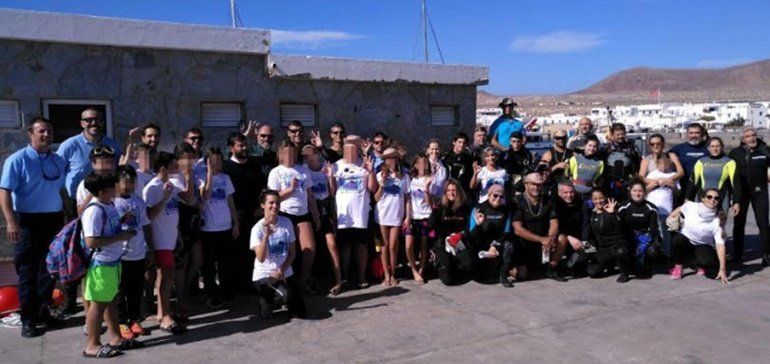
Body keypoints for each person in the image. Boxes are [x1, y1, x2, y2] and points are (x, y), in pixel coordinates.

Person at [0, 118, 67, 338]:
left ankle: (43, 311)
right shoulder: (17, 160)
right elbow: (5, 191)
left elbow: (61, 190)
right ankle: (28, 319)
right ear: (30, 133)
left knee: (49, 270)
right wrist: (11, 220)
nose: (46, 135)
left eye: (49, 130)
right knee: (27, 271)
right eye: (41, 131)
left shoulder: (57, 160)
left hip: (53, 220)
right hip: (28, 221)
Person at [81, 173, 143, 358]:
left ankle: (116, 338)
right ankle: (92, 345)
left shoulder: (109, 206)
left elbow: (108, 228)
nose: (117, 188)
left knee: (109, 302)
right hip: (101, 264)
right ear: (102, 191)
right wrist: (121, 237)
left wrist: (123, 220)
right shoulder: (94, 210)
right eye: (112, 186)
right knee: (98, 305)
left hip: (112, 262)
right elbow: (91, 241)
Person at [142, 152, 190, 334]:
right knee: (165, 277)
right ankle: (165, 315)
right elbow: (149, 215)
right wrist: (163, 198)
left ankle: (163, 313)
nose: (176, 168)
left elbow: (174, 212)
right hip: (160, 240)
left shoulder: (169, 185)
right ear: (163, 168)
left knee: (167, 277)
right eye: (173, 165)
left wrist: (177, 236)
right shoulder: (153, 188)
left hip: (170, 238)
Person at [267, 141, 321, 293]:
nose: (289, 156)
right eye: (286, 153)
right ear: (280, 154)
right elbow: (273, 197)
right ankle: (283, 284)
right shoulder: (276, 172)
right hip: (284, 214)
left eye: (292, 153)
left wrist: (315, 213)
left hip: (303, 213)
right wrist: (290, 189)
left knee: (309, 249)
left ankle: (303, 282)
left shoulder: (303, 169)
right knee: (285, 252)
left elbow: (310, 194)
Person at [251, 189, 307, 319]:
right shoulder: (257, 229)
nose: (274, 206)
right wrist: (266, 236)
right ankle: (265, 302)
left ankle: (281, 297)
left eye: (277, 203)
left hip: (283, 271)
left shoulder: (286, 223)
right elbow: (260, 258)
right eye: (271, 203)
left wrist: (281, 270)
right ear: (263, 205)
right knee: (285, 296)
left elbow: (292, 253)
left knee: (300, 311)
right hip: (265, 275)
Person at [113, 165, 153, 340]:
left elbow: (145, 225)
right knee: (121, 290)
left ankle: (134, 319)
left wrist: (150, 247)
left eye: (131, 181)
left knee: (136, 289)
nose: (128, 185)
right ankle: (121, 321)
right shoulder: (112, 202)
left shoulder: (138, 201)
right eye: (124, 181)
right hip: (120, 255)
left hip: (138, 252)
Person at [332, 135, 377, 289]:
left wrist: (370, 172)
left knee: (361, 246)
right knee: (345, 247)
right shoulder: (336, 166)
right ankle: (344, 277)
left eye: (355, 144)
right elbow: (332, 191)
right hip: (343, 216)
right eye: (349, 144)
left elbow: (372, 189)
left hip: (361, 214)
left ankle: (361, 276)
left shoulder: (365, 164)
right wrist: (329, 176)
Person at [223, 133, 266, 292]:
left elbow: (262, 187)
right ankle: (235, 286)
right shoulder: (226, 166)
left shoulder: (253, 165)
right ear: (231, 148)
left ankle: (251, 283)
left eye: (245, 144)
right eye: (240, 145)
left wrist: (259, 208)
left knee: (252, 251)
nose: (244, 148)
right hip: (235, 216)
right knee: (235, 253)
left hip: (254, 215)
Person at [57, 108, 121, 215]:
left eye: (98, 120)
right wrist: (64, 201)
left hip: (106, 199)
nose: (94, 123)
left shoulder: (112, 145)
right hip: (75, 201)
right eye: (89, 120)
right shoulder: (69, 145)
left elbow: (118, 169)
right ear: (82, 123)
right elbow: (57, 172)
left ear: (103, 122)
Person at [198, 147, 239, 307]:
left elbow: (230, 201)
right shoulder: (201, 177)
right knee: (209, 264)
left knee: (225, 263)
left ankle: (226, 292)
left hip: (225, 226)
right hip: (209, 228)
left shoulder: (226, 178)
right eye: (212, 161)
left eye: (218, 160)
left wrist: (236, 222)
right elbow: (205, 194)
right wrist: (208, 173)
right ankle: (210, 293)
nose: (216, 164)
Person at [302, 145, 343, 295]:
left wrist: (330, 177)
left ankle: (338, 279)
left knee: (332, 244)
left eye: (312, 154)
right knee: (310, 249)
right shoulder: (303, 170)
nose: (310, 157)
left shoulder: (325, 167)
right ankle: (307, 281)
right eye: (306, 155)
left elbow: (332, 192)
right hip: (310, 211)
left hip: (325, 210)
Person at [667, 188, 730, 283]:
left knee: (711, 272)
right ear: (703, 198)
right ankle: (678, 266)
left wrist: (722, 269)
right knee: (677, 239)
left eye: (716, 198)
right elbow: (680, 208)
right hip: (685, 241)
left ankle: (696, 263)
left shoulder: (718, 220)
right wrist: (670, 217)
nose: (713, 200)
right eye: (709, 197)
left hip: (702, 245)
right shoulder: (691, 206)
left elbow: (720, 245)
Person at [512, 173, 565, 282]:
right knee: (521, 275)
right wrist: (541, 240)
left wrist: (550, 239)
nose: (537, 187)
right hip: (524, 243)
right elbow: (518, 230)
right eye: (533, 184)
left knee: (562, 238)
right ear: (526, 184)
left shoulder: (548, 200)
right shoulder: (517, 201)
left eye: (540, 185)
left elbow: (554, 223)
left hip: (544, 243)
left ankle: (551, 269)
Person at [729, 126, 770, 265]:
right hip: (741, 193)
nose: (751, 138)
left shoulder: (764, 150)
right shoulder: (735, 153)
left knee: (763, 222)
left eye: (753, 135)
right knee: (739, 223)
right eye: (748, 136)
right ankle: (737, 254)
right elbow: (729, 174)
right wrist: (731, 195)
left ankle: (766, 254)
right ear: (742, 139)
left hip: (760, 191)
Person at [638, 134, 684, 255]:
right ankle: (652, 252)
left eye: (658, 143)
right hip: (652, 197)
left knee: (667, 228)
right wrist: (656, 182)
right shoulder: (646, 160)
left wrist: (669, 180)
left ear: (663, 143)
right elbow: (641, 177)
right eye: (652, 144)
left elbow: (680, 172)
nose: (656, 146)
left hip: (667, 201)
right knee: (652, 228)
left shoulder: (670, 156)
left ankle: (667, 252)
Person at [374, 147, 411, 286]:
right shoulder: (380, 175)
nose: (391, 160)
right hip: (382, 215)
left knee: (393, 245)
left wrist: (408, 216)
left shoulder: (404, 176)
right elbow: (376, 198)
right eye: (388, 158)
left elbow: (407, 198)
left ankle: (393, 273)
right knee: (384, 245)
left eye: (394, 157)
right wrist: (382, 184)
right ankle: (386, 275)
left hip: (397, 215)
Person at [468, 185, 514, 287]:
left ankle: (503, 275)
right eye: (495, 195)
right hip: (481, 243)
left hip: (498, 243)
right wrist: (479, 225)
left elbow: (506, 232)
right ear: (488, 195)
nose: (498, 199)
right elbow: (472, 235)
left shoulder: (506, 210)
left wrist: (494, 246)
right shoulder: (478, 209)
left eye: (501, 197)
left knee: (509, 245)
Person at [431, 179, 473, 286]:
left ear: (458, 191)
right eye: (448, 190)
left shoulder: (465, 207)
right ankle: (439, 263)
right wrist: (434, 212)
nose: (451, 193)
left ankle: (455, 265)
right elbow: (433, 225)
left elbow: (469, 228)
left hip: (460, 241)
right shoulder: (441, 207)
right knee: (448, 280)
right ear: (445, 192)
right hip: (444, 243)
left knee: (468, 265)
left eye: (454, 190)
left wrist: (460, 235)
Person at [584, 188, 631, 283]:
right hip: (602, 249)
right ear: (592, 200)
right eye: (595, 199)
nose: (598, 201)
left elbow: (622, 228)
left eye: (601, 198)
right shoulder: (590, 213)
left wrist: (613, 213)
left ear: (605, 198)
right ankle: (610, 264)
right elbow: (588, 234)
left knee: (621, 251)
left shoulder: (613, 210)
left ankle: (624, 272)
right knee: (592, 272)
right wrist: (590, 253)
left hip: (616, 245)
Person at [618, 181, 663, 278]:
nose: (637, 194)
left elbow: (653, 229)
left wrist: (647, 241)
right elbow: (618, 227)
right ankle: (624, 272)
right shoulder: (623, 207)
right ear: (630, 192)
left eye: (640, 191)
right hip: (628, 238)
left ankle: (646, 268)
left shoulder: (651, 208)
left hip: (644, 239)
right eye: (634, 191)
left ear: (645, 193)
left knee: (653, 250)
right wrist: (612, 214)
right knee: (621, 250)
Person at [687, 137, 737, 212]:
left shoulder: (729, 162)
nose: (715, 149)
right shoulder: (701, 161)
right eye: (712, 146)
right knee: (700, 223)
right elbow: (692, 182)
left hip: (722, 199)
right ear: (708, 148)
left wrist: (736, 202)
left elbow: (736, 184)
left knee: (719, 223)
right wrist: (687, 198)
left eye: (717, 146)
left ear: (722, 147)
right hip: (702, 199)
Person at [405, 154, 434, 284]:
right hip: (412, 217)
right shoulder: (410, 179)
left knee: (423, 245)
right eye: (420, 163)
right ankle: (413, 269)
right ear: (416, 165)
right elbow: (408, 200)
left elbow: (429, 203)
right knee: (408, 245)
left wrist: (426, 189)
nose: (423, 165)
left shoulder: (430, 179)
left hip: (425, 216)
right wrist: (407, 217)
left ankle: (421, 270)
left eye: (425, 163)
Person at [554, 181, 588, 276]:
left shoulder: (580, 204)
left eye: (571, 192)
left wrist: (584, 241)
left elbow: (585, 224)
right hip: (560, 239)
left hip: (577, 239)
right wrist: (569, 237)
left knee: (581, 269)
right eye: (565, 192)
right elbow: (554, 228)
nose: (569, 195)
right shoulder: (554, 205)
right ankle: (553, 266)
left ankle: (568, 265)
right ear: (559, 193)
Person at [600, 123, 641, 201]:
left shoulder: (631, 147)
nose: (621, 136)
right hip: (610, 182)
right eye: (618, 134)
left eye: (622, 134)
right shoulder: (605, 148)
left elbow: (638, 163)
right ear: (612, 134)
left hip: (626, 181)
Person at [670, 123, 708, 202]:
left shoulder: (709, 148)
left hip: (703, 187)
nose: (694, 135)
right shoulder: (678, 149)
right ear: (687, 134)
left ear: (702, 134)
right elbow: (664, 159)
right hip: (684, 186)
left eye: (697, 133)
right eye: (691, 133)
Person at [75, 144, 117, 216]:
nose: (109, 166)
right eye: (105, 162)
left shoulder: (118, 181)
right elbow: (80, 212)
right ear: (93, 164)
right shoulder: (85, 184)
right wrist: (94, 189)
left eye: (112, 162)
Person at [566, 135, 604, 201]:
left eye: (594, 146)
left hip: (590, 196)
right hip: (575, 194)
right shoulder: (575, 159)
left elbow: (598, 179)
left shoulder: (600, 163)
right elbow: (567, 175)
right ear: (585, 145)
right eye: (589, 145)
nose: (592, 148)